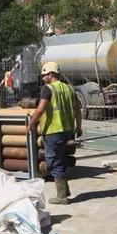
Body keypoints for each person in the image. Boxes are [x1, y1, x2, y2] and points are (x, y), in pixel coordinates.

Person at [27, 62, 82, 205]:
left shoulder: (48, 88)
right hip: (68, 130)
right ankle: (64, 191)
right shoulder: (69, 88)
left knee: (52, 162)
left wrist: (31, 124)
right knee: (60, 159)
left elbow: (40, 109)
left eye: (44, 75)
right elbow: (77, 109)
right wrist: (79, 127)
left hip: (54, 131)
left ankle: (62, 197)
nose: (43, 78)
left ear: (51, 74)